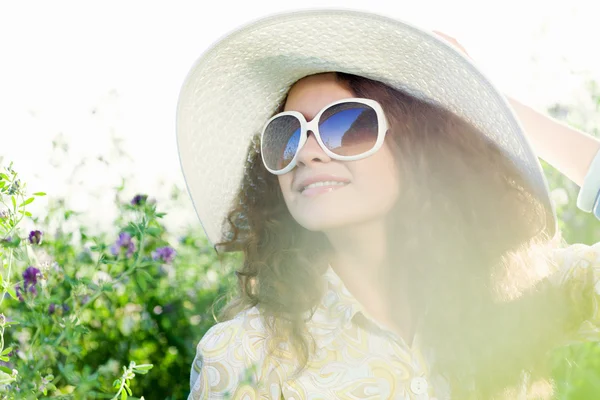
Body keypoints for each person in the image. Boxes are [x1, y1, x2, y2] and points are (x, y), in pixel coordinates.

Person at [176, 8, 600, 399]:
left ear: (419, 146)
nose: (307, 152)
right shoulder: (245, 356)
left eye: (345, 124)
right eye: (285, 135)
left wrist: (486, 101)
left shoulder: (516, 293)